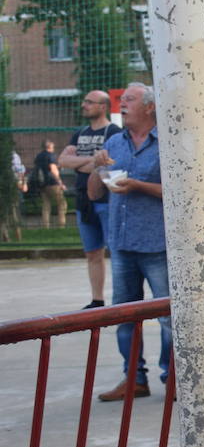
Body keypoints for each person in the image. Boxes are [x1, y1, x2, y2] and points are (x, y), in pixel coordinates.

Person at [89, 83, 172, 401]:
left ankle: (172, 376)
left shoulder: (166, 143)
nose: (121, 104)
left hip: (156, 245)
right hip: (122, 245)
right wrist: (98, 169)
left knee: (167, 317)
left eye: (129, 100)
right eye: (120, 100)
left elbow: (178, 190)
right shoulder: (113, 143)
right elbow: (95, 194)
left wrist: (137, 184)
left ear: (150, 107)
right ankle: (134, 379)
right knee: (124, 316)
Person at [58, 91, 122, 308]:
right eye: (84, 101)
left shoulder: (114, 132)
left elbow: (111, 163)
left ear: (103, 106)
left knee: (115, 251)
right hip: (83, 200)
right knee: (92, 252)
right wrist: (94, 160)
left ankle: (120, 299)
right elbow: (63, 161)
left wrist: (76, 160)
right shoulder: (80, 133)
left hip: (106, 200)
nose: (84, 105)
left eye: (89, 102)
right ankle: (97, 300)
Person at [32, 140, 65, 228]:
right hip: (53, 183)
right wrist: (60, 182)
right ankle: (61, 225)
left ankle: (45, 226)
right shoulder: (51, 156)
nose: (53, 149)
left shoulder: (38, 156)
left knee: (46, 205)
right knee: (62, 204)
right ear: (49, 147)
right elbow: (53, 169)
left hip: (42, 183)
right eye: (53, 147)